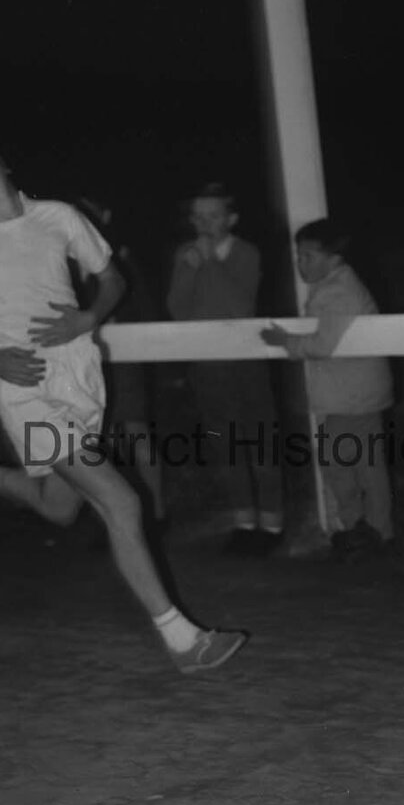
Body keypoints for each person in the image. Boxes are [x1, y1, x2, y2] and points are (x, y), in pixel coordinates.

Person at [0, 141, 247, 673]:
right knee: (121, 501)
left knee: (58, 506)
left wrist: (87, 318)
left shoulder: (59, 216)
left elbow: (113, 281)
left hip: (81, 376)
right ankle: (183, 640)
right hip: (26, 388)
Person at [261, 219, 394, 562]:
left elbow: (322, 344)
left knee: (342, 463)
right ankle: (371, 530)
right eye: (298, 255)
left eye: (308, 255)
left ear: (334, 258)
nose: (300, 262)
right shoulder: (333, 285)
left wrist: (285, 341)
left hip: (352, 397)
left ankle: (365, 528)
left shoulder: (339, 292)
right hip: (352, 393)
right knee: (363, 465)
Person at [166, 182, 284, 555]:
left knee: (260, 441)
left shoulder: (246, 253)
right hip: (207, 366)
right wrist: (189, 269)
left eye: (213, 216)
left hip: (247, 362)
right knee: (226, 445)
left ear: (231, 219)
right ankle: (244, 523)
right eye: (198, 217)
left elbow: (239, 305)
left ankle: (273, 523)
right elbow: (177, 310)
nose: (204, 224)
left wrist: (211, 262)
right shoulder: (186, 254)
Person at [75, 196, 166, 531]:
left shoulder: (120, 260)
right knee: (98, 439)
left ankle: (156, 514)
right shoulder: (66, 266)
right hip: (86, 363)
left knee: (137, 432)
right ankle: (111, 518)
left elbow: (146, 311)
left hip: (123, 361)